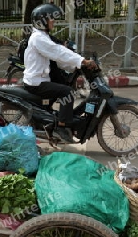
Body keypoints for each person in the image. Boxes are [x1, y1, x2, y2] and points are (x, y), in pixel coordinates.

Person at [23, 3, 96, 143]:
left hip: (40, 79)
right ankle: (62, 127)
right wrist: (81, 61)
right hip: (36, 83)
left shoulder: (42, 36)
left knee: (64, 84)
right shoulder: (38, 38)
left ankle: (57, 120)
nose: (54, 23)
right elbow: (58, 52)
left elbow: (57, 57)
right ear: (43, 20)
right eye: (52, 20)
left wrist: (74, 65)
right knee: (67, 92)